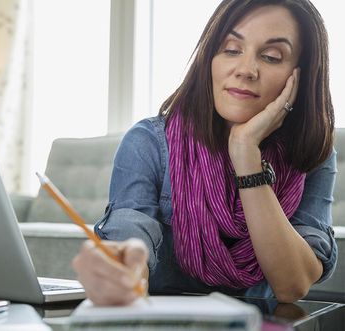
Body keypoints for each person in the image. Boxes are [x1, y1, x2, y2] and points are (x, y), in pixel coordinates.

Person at [72, 0, 337, 305]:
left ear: (301, 76)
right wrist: (124, 269)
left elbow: (292, 285)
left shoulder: (312, 155)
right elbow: (131, 235)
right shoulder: (148, 143)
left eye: (270, 56)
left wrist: (245, 153)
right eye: (232, 49)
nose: (246, 70)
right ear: (210, 57)